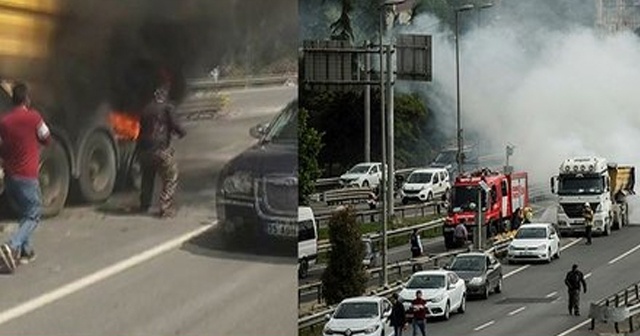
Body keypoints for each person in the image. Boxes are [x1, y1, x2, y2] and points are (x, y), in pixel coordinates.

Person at [0, 83, 51, 272]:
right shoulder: (34, 117)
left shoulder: (4, 121)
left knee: (24, 211)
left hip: (11, 177)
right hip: (28, 176)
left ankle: (25, 251)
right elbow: (46, 137)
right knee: (33, 214)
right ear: (27, 99)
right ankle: (12, 245)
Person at [137, 85, 187, 218]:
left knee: (147, 178)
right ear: (164, 96)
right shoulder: (167, 107)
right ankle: (165, 208)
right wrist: (182, 133)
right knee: (171, 175)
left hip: (143, 150)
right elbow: (176, 126)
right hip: (159, 149)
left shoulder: (146, 109)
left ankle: (144, 205)